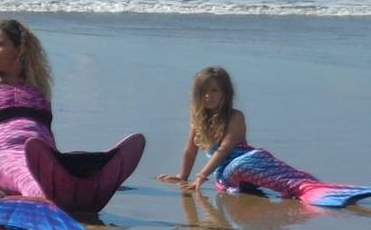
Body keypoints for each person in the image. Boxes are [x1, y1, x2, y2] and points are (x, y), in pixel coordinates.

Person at [0, 17, 143, 212]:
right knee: (24, 172)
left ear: (19, 50)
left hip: (40, 151)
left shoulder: (36, 82)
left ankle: (87, 182)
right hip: (3, 153)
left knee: (60, 164)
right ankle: (55, 196)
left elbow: (44, 128)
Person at [158, 66, 371, 207]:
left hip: (249, 161)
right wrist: (183, 175)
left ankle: (311, 189)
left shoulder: (235, 117)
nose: (208, 96)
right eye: (203, 91)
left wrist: (201, 176)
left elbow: (225, 148)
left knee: (286, 176)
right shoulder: (198, 119)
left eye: (214, 91)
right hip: (226, 173)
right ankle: (300, 189)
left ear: (225, 93)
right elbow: (191, 149)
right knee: (233, 171)